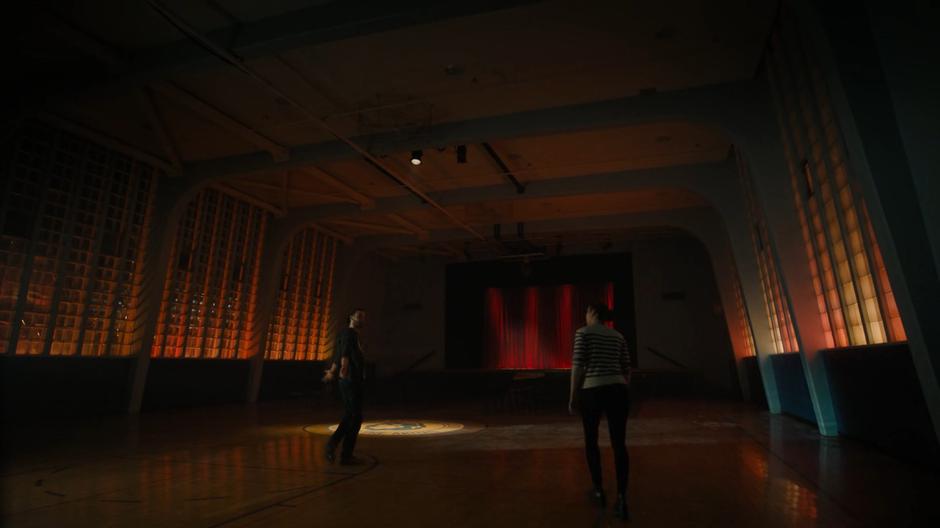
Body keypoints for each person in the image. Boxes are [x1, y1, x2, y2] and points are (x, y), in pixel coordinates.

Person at [568, 302, 631, 520]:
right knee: (619, 444)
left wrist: (572, 397)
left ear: (592, 313)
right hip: (618, 390)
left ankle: (599, 490)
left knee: (591, 442)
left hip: (592, 391)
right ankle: (622, 498)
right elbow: (626, 368)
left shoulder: (582, 333)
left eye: (586, 312)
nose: (585, 316)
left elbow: (577, 367)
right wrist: (621, 388)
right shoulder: (618, 336)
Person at [322, 308, 367, 465]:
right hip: (350, 379)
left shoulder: (343, 334)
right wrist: (343, 368)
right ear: (351, 317)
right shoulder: (350, 334)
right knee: (355, 417)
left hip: (348, 379)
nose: (362, 320)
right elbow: (345, 354)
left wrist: (333, 372)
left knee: (351, 416)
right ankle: (342, 452)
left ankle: (336, 448)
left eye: (363, 317)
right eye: (359, 316)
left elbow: (337, 354)